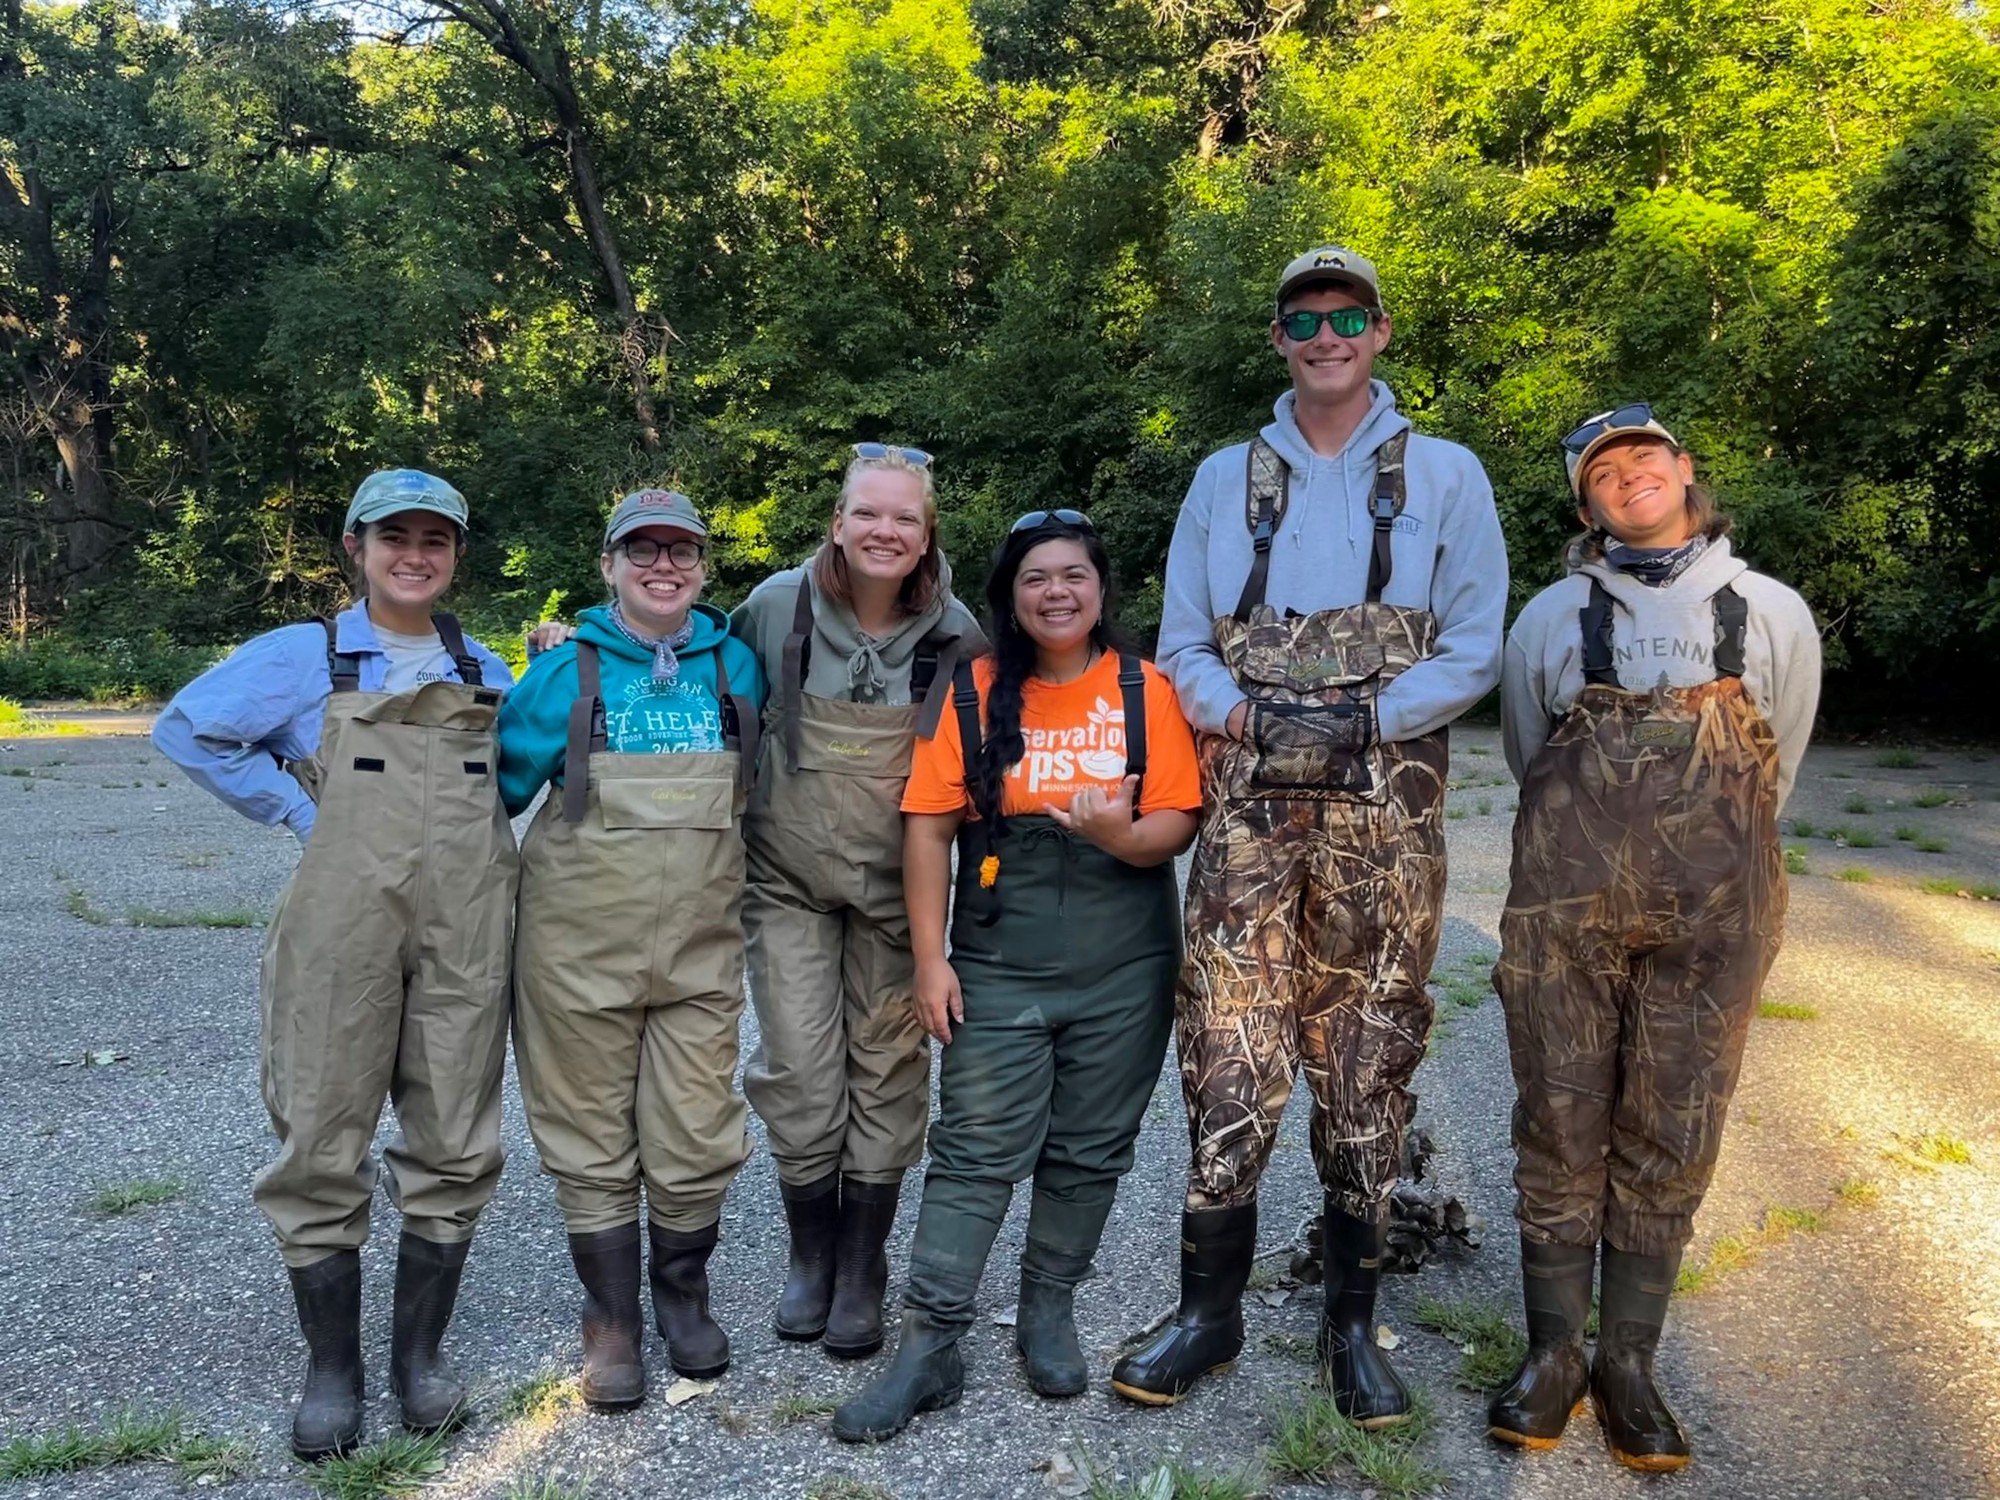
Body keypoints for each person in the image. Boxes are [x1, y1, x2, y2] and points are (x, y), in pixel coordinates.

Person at [1114, 245, 1508, 1426]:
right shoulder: (1218, 479)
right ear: (1278, 337)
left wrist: (1365, 719)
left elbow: (1473, 642)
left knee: (1366, 1047)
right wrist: (1240, 714)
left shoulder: (1443, 474)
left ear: (1378, 331)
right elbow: (1180, 640)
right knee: (1227, 1042)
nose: (1324, 333)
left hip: (1387, 807)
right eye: (1302, 316)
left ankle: (1350, 1322)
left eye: (1345, 315)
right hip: (1244, 807)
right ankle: (1208, 1313)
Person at [152, 470, 516, 1459]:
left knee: (454, 1134)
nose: (414, 553)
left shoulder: (482, 664)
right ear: (354, 547)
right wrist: (299, 811)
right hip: (340, 923)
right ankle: (334, 1369)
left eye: (433, 538)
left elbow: (526, 767)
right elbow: (187, 729)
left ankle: (418, 1360)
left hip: (465, 929)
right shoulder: (304, 655)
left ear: (454, 555)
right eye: (391, 535)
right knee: (319, 1129)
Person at [1484, 406, 1820, 1471]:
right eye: (1600, 470)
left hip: (1715, 921)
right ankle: (1551, 1355)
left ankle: (1628, 1363)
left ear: (1683, 471)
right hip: (1563, 914)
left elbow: (1779, 765)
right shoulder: (1548, 617)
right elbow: (1527, 751)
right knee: (1558, 1112)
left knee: (1673, 1122)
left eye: (1644, 458)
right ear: (1582, 503)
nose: (1626, 475)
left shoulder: (1767, 611)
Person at [829, 511, 1202, 1442]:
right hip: (1000, 959)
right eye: (1037, 578)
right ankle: (929, 1344)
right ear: (1011, 596)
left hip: (1128, 963)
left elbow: (1176, 822)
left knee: (1090, 1147)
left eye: (1074, 575)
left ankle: (1048, 1310)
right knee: (975, 1148)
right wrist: (929, 957)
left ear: (1101, 588)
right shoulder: (972, 689)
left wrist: (1121, 834)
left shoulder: (1143, 688)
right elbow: (927, 828)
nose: (1057, 593)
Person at [495, 488, 767, 1410]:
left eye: (680, 553)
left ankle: (682, 1297)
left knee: (696, 1133)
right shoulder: (561, 676)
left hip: (700, 952)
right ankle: (610, 1318)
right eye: (641, 552)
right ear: (608, 566)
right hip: (575, 954)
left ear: (700, 567)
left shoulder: (737, 668)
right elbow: (487, 804)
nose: (663, 569)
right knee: (588, 1135)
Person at [728, 443, 982, 1358]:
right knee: (797, 1067)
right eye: (867, 514)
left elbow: (979, 768)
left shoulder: (957, 635)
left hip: (893, 897)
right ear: (837, 522)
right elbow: (698, 688)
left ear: (926, 536)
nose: (884, 531)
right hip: (784, 883)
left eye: (904, 519)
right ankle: (812, 1254)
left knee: (887, 1070)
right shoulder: (771, 608)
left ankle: (864, 1266)